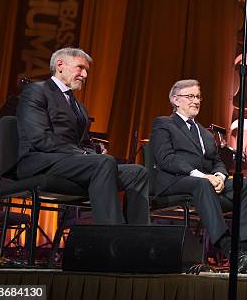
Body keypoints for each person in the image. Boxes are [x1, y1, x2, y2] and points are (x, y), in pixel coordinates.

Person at [150, 79, 247, 274]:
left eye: (198, 97)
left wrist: (220, 176)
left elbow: (217, 162)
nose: (196, 101)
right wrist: (201, 176)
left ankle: (245, 251)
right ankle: (228, 249)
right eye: (190, 96)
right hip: (173, 182)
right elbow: (166, 158)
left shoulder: (205, 133)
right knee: (202, 185)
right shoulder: (163, 123)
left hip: (205, 183)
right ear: (175, 100)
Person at [16, 47, 149, 225]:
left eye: (86, 70)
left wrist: (91, 152)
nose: (85, 74)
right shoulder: (36, 91)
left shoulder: (79, 106)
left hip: (73, 163)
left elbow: (83, 142)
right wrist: (85, 155)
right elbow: (40, 138)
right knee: (103, 162)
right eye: (80, 68)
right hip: (42, 160)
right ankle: (112, 237)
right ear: (60, 65)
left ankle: (140, 237)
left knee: (137, 172)